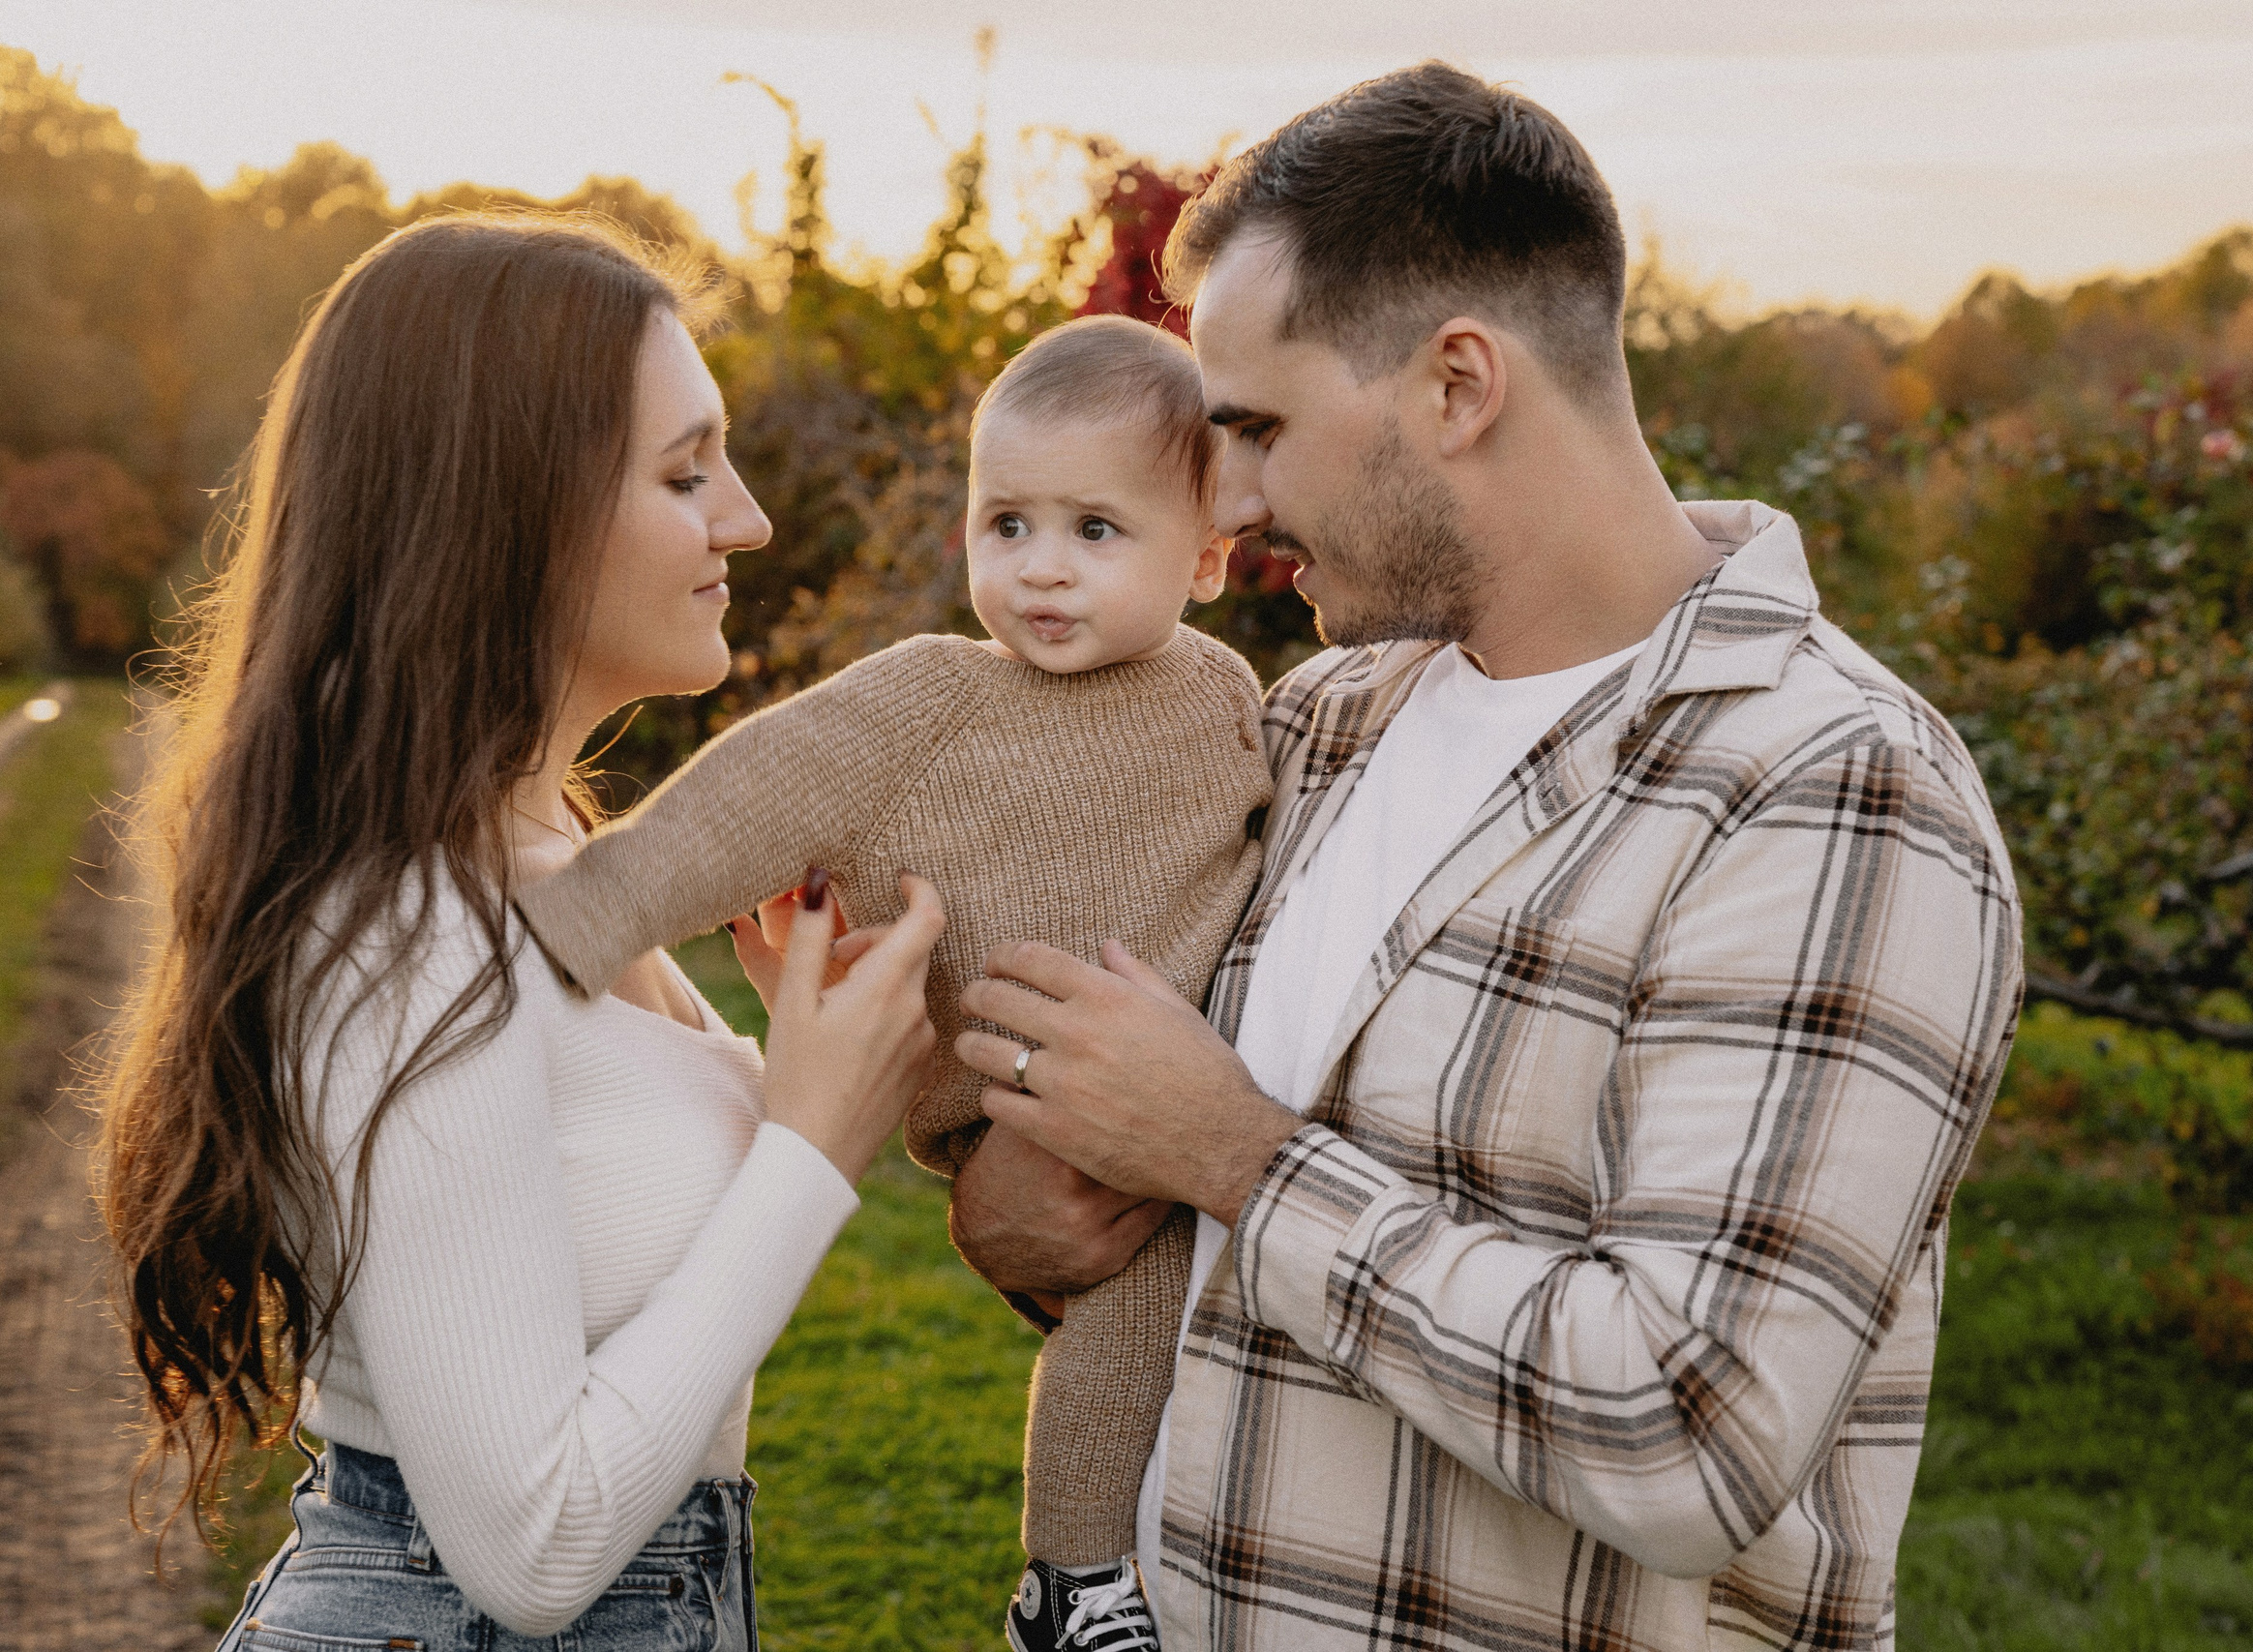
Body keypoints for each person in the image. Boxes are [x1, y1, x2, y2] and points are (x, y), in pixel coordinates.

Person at [947, 62, 2024, 1652]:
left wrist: (1237, 1153)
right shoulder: (1318, 723)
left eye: (1256, 428)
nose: (1224, 506)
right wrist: (1013, 1207)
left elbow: (1688, 1430)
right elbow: (1180, 1229)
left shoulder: (1830, 791)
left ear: (1457, 384)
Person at [98, 215, 946, 1651]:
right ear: (513, 511)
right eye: (686, 472)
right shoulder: (406, 927)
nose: (748, 518)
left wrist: (787, 1058)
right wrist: (805, 1143)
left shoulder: (554, 858)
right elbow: (534, 1546)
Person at [514, 314, 1273, 1652]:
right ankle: (1075, 1578)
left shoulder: (1228, 698)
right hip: (1017, 1101)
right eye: (1007, 525)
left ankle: (1107, 1563)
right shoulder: (932, 698)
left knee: (1166, 1315)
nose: (1041, 570)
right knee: (1129, 1294)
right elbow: (746, 804)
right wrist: (572, 921)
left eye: (1097, 532)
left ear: (1207, 559)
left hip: (1179, 1090)